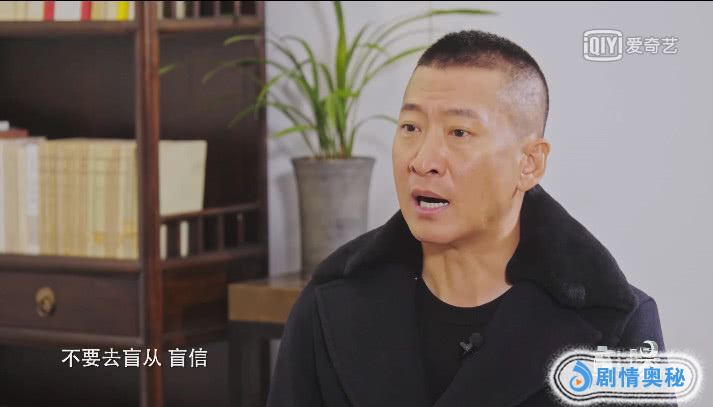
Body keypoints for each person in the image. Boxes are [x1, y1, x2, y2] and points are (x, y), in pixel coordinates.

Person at [266, 30, 672, 407]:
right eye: (410, 127)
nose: (422, 160)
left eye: (459, 133)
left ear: (530, 163)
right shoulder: (327, 304)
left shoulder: (615, 326)